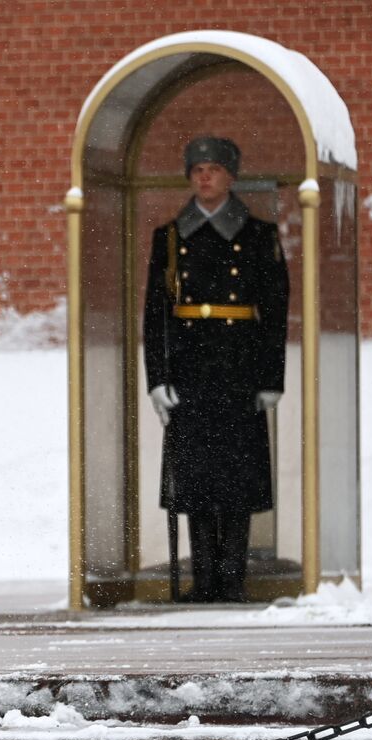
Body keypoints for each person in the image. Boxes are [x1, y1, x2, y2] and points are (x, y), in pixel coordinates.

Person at [143, 137, 290, 603]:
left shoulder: (259, 235)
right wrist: (158, 378)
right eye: (197, 169)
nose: (205, 177)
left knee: (238, 480)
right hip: (190, 368)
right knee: (197, 480)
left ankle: (232, 579)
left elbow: (276, 312)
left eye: (214, 169)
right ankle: (204, 579)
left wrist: (271, 378)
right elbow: (155, 314)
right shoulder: (168, 238)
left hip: (239, 366)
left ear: (231, 176)